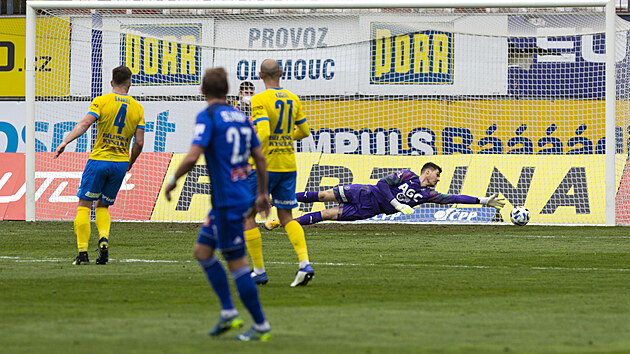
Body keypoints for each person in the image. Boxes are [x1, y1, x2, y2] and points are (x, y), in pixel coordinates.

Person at [164, 67, 272, 341]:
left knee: (237, 263)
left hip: (227, 203)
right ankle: (228, 314)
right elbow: (259, 158)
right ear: (227, 91)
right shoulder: (241, 117)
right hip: (238, 195)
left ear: (202, 91)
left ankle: (260, 325)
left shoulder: (208, 116)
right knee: (202, 251)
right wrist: (261, 193)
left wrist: (174, 178)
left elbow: (192, 156)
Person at [55, 65, 145, 265]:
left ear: (111, 82)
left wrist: (65, 141)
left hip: (99, 159)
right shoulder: (138, 108)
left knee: (84, 206)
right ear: (130, 84)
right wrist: (131, 162)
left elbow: (85, 124)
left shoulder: (101, 101)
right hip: (120, 163)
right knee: (103, 205)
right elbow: (139, 142)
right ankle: (103, 240)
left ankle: (82, 253)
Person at [243, 59, 313, 287]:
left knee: (247, 216)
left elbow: (262, 131)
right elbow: (304, 131)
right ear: (281, 74)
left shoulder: (259, 99)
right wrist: (284, 138)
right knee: (286, 217)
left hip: (266, 166)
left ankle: (259, 271)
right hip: (288, 165)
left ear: (260, 76)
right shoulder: (293, 98)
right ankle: (304, 263)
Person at [264, 162, 506, 228]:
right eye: (437, 175)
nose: (438, 180)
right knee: (322, 195)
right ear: (428, 171)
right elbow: (381, 184)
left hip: (368, 210)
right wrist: (395, 204)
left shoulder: (427, 195)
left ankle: (281, 223)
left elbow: (454, 198)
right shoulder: (407, 175)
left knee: (326, 214)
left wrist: (483, 201)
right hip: (363, 192)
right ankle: (273, 200)